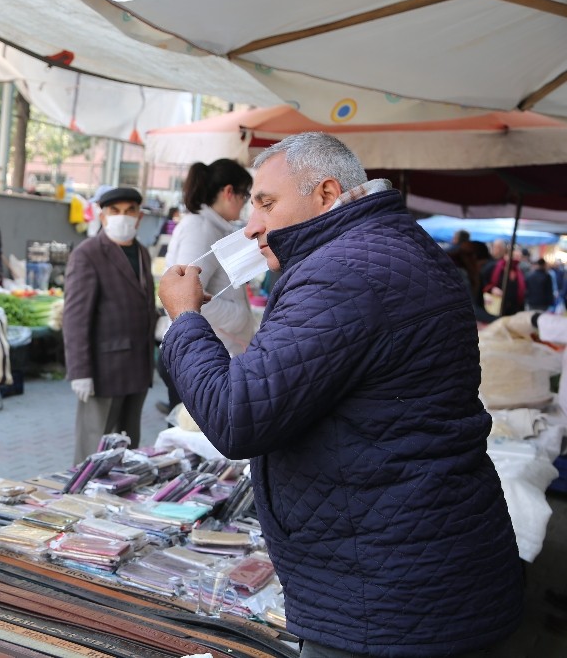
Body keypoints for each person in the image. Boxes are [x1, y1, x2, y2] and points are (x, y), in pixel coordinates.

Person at [158, 132, 523, 657]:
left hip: (387, 593)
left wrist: (185, 318)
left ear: (326, 194)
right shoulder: (391, 245)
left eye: (266, 203)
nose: (252, 224)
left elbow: (235, 417)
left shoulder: (342, 272)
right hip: (416, 562)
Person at [63, 187, 157, 463]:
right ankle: (82, 503)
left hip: (137, 369)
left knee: (127, 452)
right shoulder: (88, 254)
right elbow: (75, 317)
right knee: (94, 451)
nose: (123, 217)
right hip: (103, 371)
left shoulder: (142, 253)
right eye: (115, 211)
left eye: (130, 211)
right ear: (103, 217)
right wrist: (79, 370)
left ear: (139, 218)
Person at [156, 159, 257, 415]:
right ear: (228, 192)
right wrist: (240, 317)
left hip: (203, 348)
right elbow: (184, 295)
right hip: (195, 352)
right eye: (246, 195)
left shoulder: (211, 227)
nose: (246, 203)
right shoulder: (201, 228)